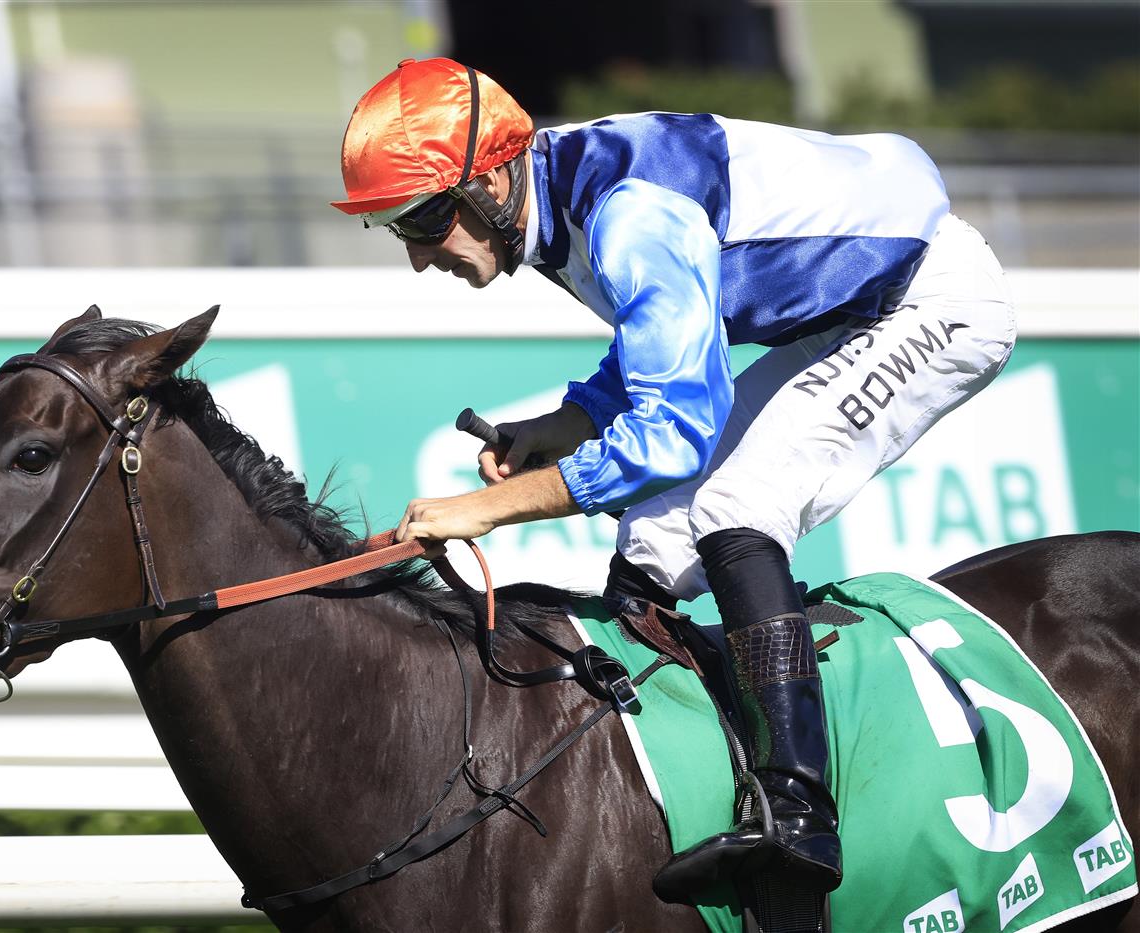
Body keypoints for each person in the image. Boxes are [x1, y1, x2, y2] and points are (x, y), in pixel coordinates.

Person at [329, 58, 1015, 901]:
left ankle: (801, 817)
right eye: (399, 227)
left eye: (429, 216)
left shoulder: (626, 214)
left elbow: (672, 434)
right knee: (652, 536)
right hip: (846, 308)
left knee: (735, 503)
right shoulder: (554, 202)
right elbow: (663, 346)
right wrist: (561, 426)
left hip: (930, 300)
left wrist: (488, 510)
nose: (421, 255)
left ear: (496, 175)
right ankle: (660, 781)